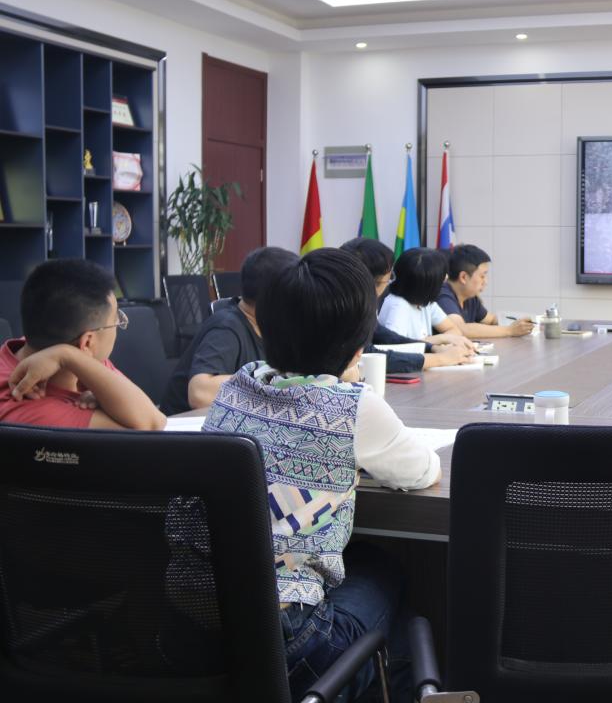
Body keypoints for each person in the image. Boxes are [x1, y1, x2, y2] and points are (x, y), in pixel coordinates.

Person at [203, 247, 445, 702]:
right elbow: (424, 471)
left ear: (264, 328)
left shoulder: (237, 385)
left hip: (192, 631)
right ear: (358, 347)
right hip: (289, 644)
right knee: (391, 570)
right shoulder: (351, 405)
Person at [0, 259, 165, 429]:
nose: (119, 325)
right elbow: (152, 424)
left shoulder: (42, 344)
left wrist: (65, 356)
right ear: (87, 343)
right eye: (116, 320)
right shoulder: (24, 405)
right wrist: (67, 355)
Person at [161, 246, 298, 414]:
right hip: (187, 425)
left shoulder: (273, 325)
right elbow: (199, 394)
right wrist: (270, 380)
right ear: (274, 298)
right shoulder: (226, 328)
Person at [340, 238, 475, 370]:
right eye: (388, 278)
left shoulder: (358, 303)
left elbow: (383, 335)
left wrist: (431, 348)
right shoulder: (347, 307)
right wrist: (440, 359)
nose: (389, 284)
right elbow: (370, 354)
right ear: (369, 282)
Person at [436, 244, 534, 338]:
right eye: (482, 276)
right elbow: (460, 329)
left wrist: (523, 324)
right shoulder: (443, 294)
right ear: (463, 277)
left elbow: (491, 320)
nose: (485, 282)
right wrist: (509, 330)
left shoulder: (469, 296)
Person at [377, 247, 466, 343]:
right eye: (441, 276)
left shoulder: (425, 302)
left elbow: (454, 330)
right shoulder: (398, 305)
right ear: (427, 284)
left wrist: (439, 340)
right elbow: (396, 346)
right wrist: (441, 339)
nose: (446, 277)